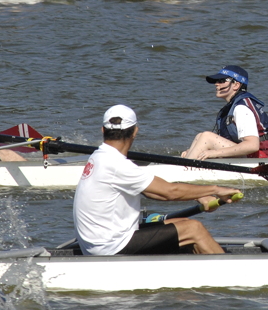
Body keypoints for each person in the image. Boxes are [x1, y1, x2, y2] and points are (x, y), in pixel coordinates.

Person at [73, 105, 241, 256]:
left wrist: (199, 196)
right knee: (193, 229)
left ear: (103, 130)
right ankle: (234, 274)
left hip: (96, 243)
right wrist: (215, 190)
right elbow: (170, 192)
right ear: (135, 132)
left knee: (183, 223)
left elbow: (153, 192)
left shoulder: (99, 156)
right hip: (110, 247)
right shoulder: (118, 165)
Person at [182, 65, 268, 161]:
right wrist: (194, 150)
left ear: (236, 85)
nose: (216, 84)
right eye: (217, 81)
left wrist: (214, 153)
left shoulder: (241, 108)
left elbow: (252, 145)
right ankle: (188, 162)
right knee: (201, 136)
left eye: (222, 80)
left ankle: (184, 171)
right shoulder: (236, 105)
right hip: (258, 155)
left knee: (206, 137)